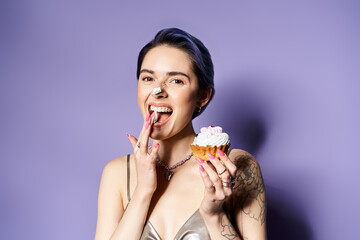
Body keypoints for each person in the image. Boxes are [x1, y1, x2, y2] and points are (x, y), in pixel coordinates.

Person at [95, 28, 266, 240]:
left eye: (176, 81)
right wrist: (142, 192)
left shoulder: (235, 167)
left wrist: (215, 216)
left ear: (202, 96)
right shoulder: (117, 173)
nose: (157, 91)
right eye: (148, 78)